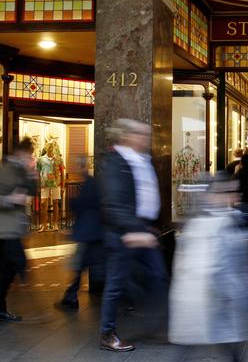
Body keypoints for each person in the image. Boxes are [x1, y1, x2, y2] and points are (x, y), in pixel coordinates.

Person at [169, 172, 248, 362]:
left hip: (210, 302)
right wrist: (239, 294)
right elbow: (215, 267)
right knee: (224, 343)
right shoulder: (212, 223)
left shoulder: (221, 218)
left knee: (219, 344)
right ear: (213, 195)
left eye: (236, 191)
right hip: (212, 301)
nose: (236, 196)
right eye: (229, 192)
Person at [98, 119, 168, 352]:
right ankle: (107, 334)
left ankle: (158, 326)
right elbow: (114, 204)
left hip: (142, 229)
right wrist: (133, 230)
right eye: (140, 134)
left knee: (158, 275)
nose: (145, 138)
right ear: (126, 136)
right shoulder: (116, 162)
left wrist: (146, 227)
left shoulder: (141, 159)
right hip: (123, 233)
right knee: (116, 283)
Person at [0, 137, 37, 322]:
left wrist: (32, 175)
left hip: (16, 227)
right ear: (19, 153)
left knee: (8, 270)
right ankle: (36, 304)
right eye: (27, 154)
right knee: (21, 262)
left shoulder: (22, 170)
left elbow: (31, 192)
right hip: (6, 228)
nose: (29, 157)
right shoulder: (2, 171)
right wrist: (8, 200)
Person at [60, 156, 103, 310]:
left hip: (88, 231)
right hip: (91, 231)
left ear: (82, 166)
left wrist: (72, 201)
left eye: (77, 165)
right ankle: (70, 295)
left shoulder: (88, 184)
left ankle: (70, 296)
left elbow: (83, 205)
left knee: (80, 263)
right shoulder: (91, 183)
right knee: (82, 263)